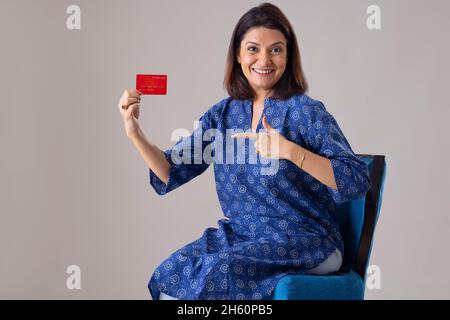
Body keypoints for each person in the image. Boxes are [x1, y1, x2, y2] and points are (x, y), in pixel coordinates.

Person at [117, 2, 371, 300]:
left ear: (288, 56)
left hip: (308, 241)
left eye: (276, 49)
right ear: (238, 55)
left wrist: (289, 151)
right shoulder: (222, 116)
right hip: (243, 237)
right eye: (253, 49)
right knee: (170, 272)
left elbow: (356, 179)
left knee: (219, 273)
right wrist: (134, 132)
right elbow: (170, 170)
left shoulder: (305, 112)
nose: (264, 59)